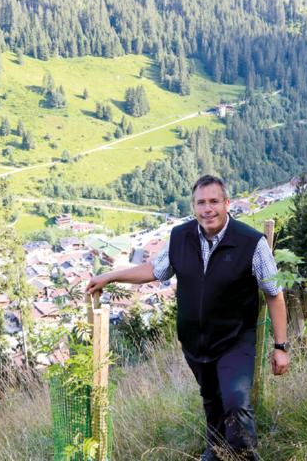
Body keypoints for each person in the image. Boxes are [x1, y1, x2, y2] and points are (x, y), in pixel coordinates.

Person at [86, 175, 290, 461]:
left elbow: (274, 293)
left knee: (235, 401)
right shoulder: (180, 237)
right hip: (195, 342)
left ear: (227, 204)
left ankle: (244, 456)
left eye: (214, 202)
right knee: (211, 399)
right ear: (193, 206)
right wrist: (110, 276)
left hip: (235, 339)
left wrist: (280, 347)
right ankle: (217, 451)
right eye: (201, 203)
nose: (208, 209)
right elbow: (155, 271)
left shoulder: (251, 243)